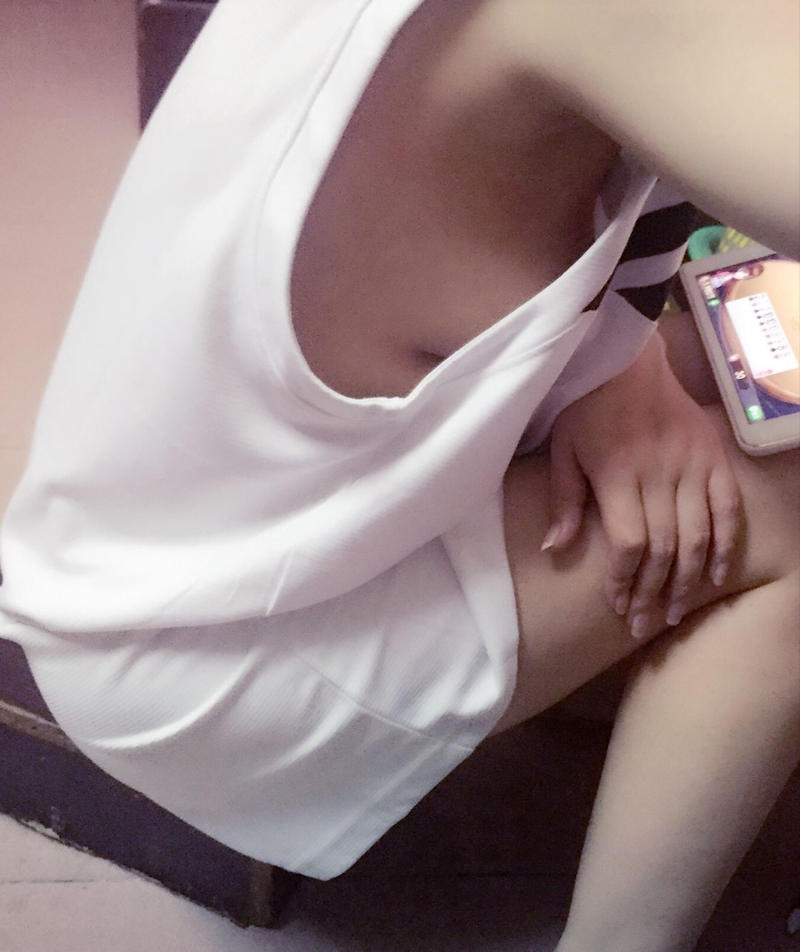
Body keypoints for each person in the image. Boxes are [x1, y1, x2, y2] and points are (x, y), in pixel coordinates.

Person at [0, 2, 798, 950]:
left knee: (735, 371)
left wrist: (622, 364)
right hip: (192, 643)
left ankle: (606, 676)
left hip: (151, 530)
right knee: (789, 506)